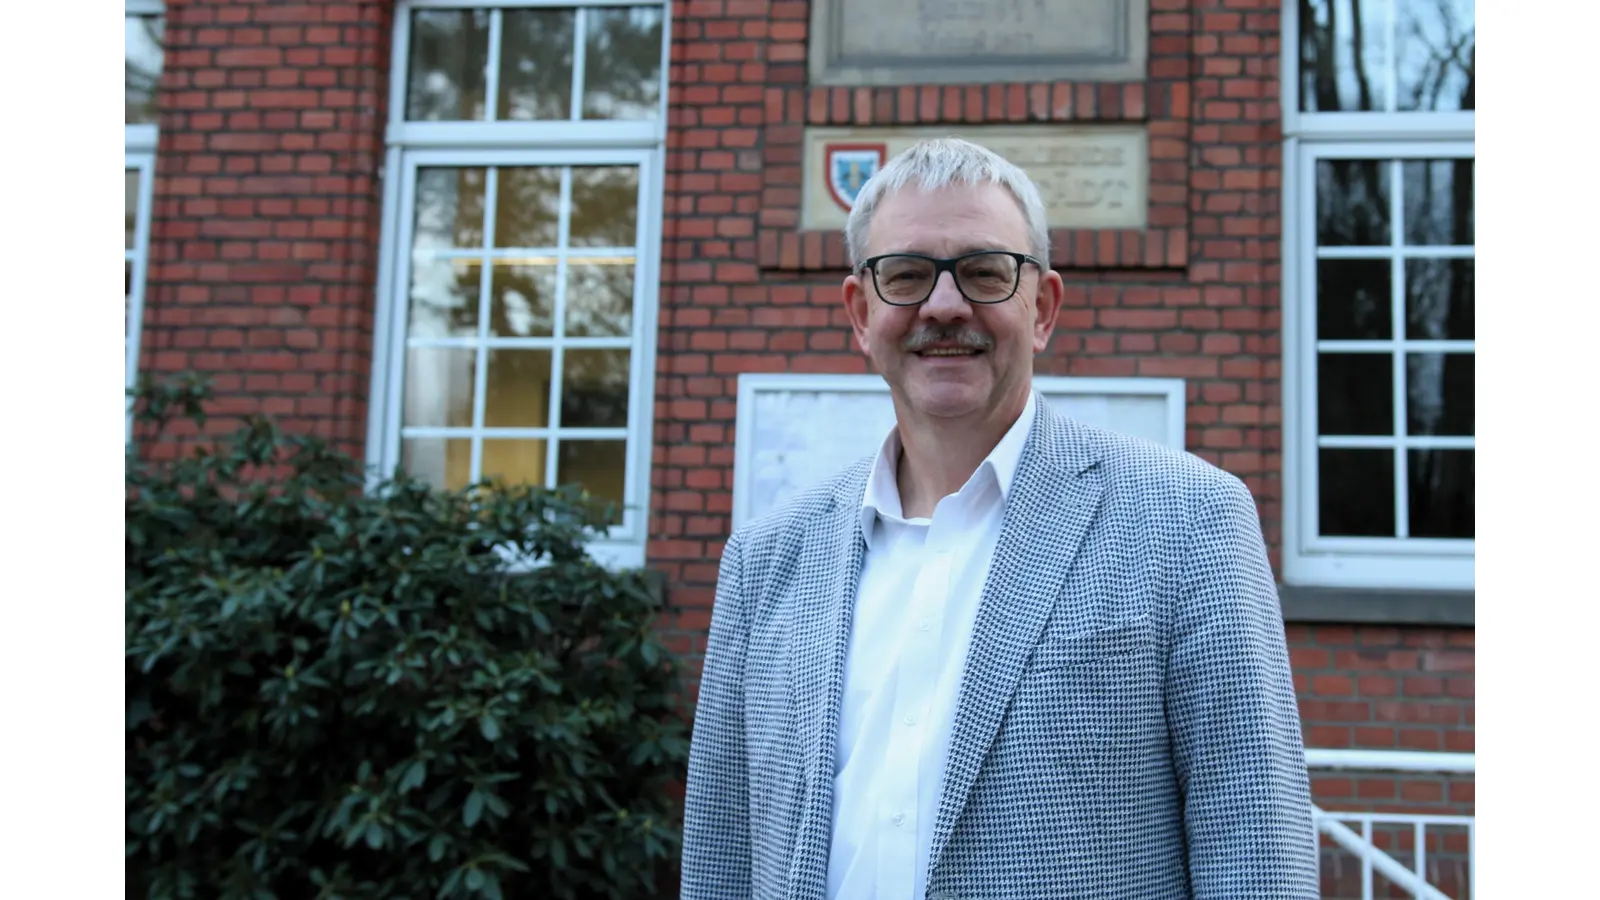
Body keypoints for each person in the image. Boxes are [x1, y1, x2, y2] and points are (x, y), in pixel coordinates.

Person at [680, 138, 1317, 900]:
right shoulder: (765, 561)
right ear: (861, 313)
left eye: (984, 272)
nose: (944, 307)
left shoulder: (1189, 523)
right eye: (907, 274)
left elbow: (1255, 851)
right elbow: (720, 856)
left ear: (1042, 308)